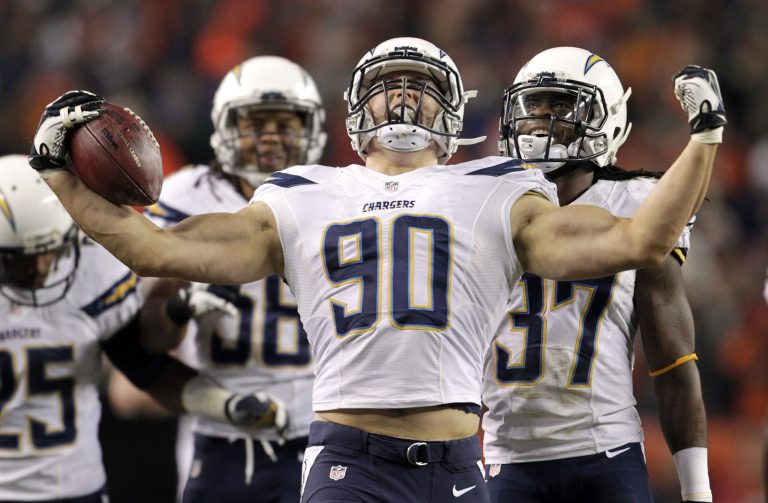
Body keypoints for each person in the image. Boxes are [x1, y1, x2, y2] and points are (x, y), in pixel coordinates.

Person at [27, 36, 725, 503]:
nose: (401, 100)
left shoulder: (498, 187)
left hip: (460, 463)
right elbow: (155, 248)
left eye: (419, 89)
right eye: (388, 88)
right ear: (354, 112)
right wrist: (59, 175)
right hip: (347, 460)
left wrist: (704, 139)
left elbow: (640, 239)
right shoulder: (301, 192)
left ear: (452, 114)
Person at [481, 47, 713, 503]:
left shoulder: (636, 204)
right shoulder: (484, 200)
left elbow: (672, 359)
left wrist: (697, 489)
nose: (541, 119)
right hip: (506, 455)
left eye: (562, 106)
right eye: (534, 105)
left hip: (604, 451)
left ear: (606, 120)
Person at [0, 155, 272, 502]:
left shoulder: (89, 272)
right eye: (22, 258)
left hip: (75, 490)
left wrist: (226, 405)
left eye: (50, 250)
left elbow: (146, 368)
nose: (41, 268)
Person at [140, 55, 326, 503]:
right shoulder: (184, 198)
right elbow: (146, 337)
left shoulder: (336, 196)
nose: (271, 139)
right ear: (225, 127)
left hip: (318, 431)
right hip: (222, 430)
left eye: (286, 124)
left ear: (312, 129)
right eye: (255, 123)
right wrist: (179, 307)